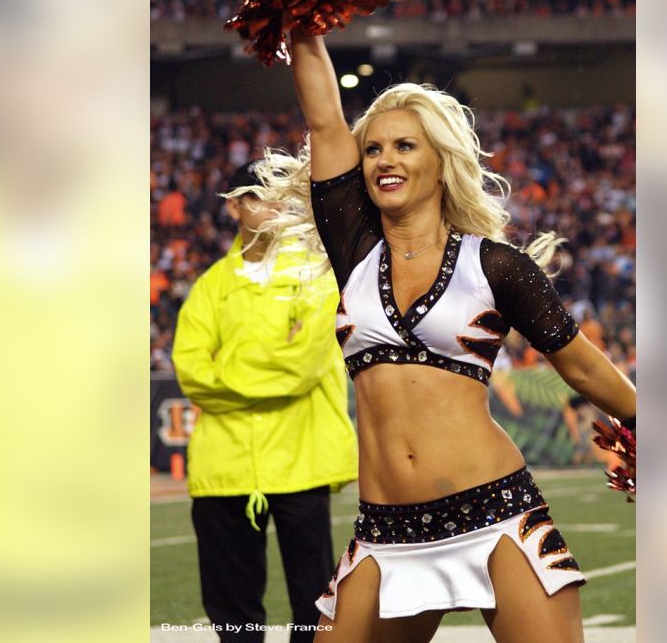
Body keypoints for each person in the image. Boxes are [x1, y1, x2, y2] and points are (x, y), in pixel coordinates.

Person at [249, 34, 637, 643]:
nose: (384, 160)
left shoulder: (497, 266)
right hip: (385, 531)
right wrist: (303, 21)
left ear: (441, 163)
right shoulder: (354, 252)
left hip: (495, 513)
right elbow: (325, 122)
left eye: (405, 146)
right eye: (373, 149)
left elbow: (583, 368)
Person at [171, 160, 358, 643]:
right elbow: (192, 372)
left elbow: (306, 365)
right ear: (233, 207)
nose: (273, 205)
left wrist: (227, 375)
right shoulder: (210, 286)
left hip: (300, 461)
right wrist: (271, 364)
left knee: (312, 604)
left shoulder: (317, 276)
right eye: (257, 195)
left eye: (279, 194)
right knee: (231, 609)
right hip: (224, 468)